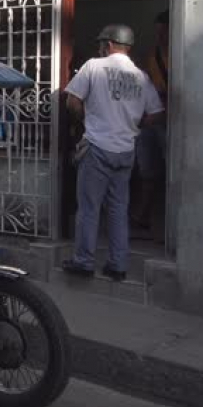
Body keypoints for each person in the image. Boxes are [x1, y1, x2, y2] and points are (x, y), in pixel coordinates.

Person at [62, 24, 165, 281]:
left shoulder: (93, 67)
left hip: (97, 147)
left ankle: (84, 261)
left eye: (101, 44)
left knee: (89, 208)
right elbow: (157, 112)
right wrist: (133, 126)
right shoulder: (141, 76)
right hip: (125, 150)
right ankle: (117, 266)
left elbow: (72, 100)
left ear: (107, 45)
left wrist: (86, 120)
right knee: (119, 209)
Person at [134, 11, 169, 242]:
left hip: (171, 119)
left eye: (163, 32)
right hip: (152, 118)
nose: (160, 37)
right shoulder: (153, 55)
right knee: (147, 168)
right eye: (157, 33)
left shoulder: (182, 54)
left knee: (171, 169)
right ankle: (144, 214)